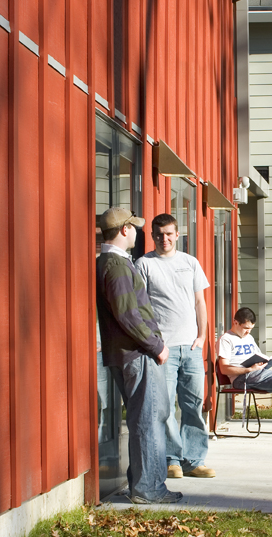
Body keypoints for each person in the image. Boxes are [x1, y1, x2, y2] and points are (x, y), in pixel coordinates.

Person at [95, 206, 182, 504]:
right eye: (134, 227)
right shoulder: (115, 266)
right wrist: (157, 346)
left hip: (131, 352)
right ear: (124, 230)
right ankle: (148, 489)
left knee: (148, 416)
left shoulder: (111, 262)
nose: (137, 231)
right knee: (148, 419)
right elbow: (129, 315)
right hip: (137, 353)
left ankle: (145, 484)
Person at [136, 213, 215, 480]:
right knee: (166, 407)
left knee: (193, 405)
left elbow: (199, 303)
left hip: (191, 348)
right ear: (152, 235)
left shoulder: (189, 263)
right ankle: (172, 460)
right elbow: (141, 307)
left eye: (169, 233)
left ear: (177, 234)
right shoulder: (144, 264)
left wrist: (202, 338)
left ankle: (194, 460)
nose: (164, 238)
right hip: (164, 350)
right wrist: (154, 343)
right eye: (159, 234)